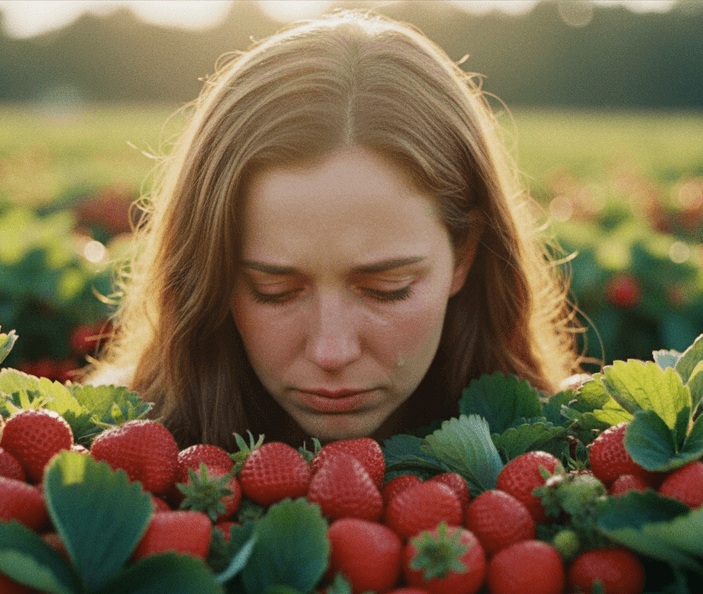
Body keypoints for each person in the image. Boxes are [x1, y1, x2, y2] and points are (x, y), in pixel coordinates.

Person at [85, 10, 583, 450]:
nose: (332, 351)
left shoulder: (568, 450)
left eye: (388, 290)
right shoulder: (102, 443)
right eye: (274, 291)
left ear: (465, 256)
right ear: (207, 274)